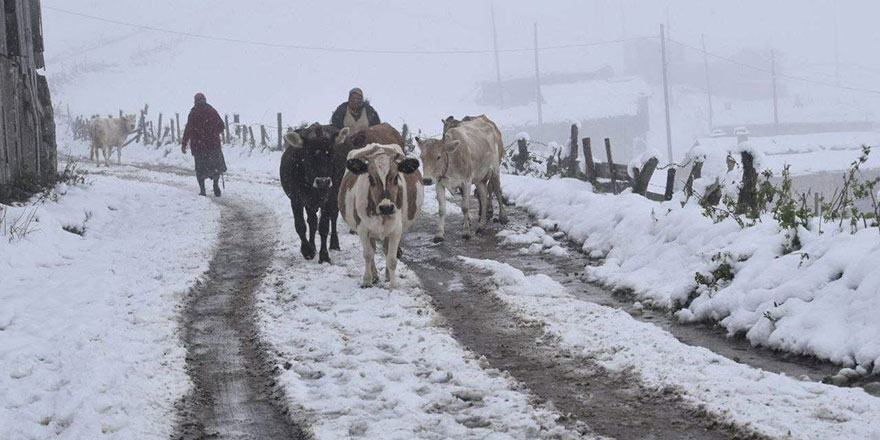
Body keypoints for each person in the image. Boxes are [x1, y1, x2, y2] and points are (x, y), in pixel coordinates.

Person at [181, 93, 227, 196]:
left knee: (200, 170)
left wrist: (184, 144)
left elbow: (188, 130)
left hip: (199, 147)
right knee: (215, 168)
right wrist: (213, 133)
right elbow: (221, 126)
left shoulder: (193, 113)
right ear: (205, 99)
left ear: (195, 101)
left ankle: (203, 190)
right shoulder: (211, 110)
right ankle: (215, 184)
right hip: (213, 145)